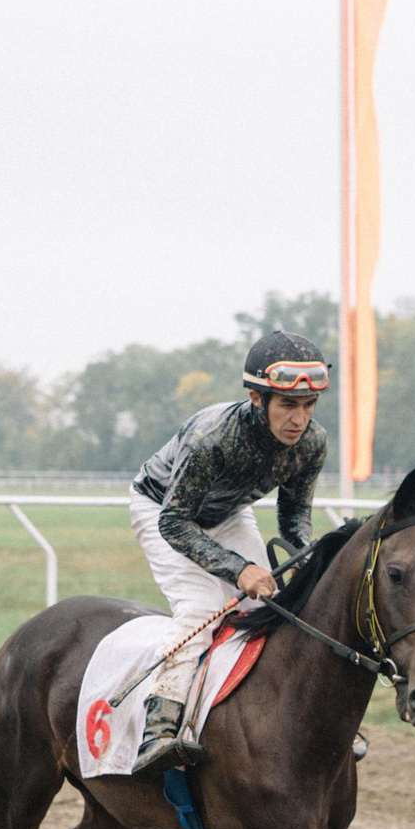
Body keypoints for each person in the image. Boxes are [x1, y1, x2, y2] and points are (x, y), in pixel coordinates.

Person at [126, 329, 329, 772]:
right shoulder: (212, 436)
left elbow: (293, 518)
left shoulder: (312, 443)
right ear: (258, 399)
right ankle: (159, 729)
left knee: (276, 606)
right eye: (288, 405)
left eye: (309, 406)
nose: (300, 419)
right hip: (163, 509)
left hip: (229, 511)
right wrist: (240, 571)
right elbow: (175, 523)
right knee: (202, 611)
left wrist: (312, 559)